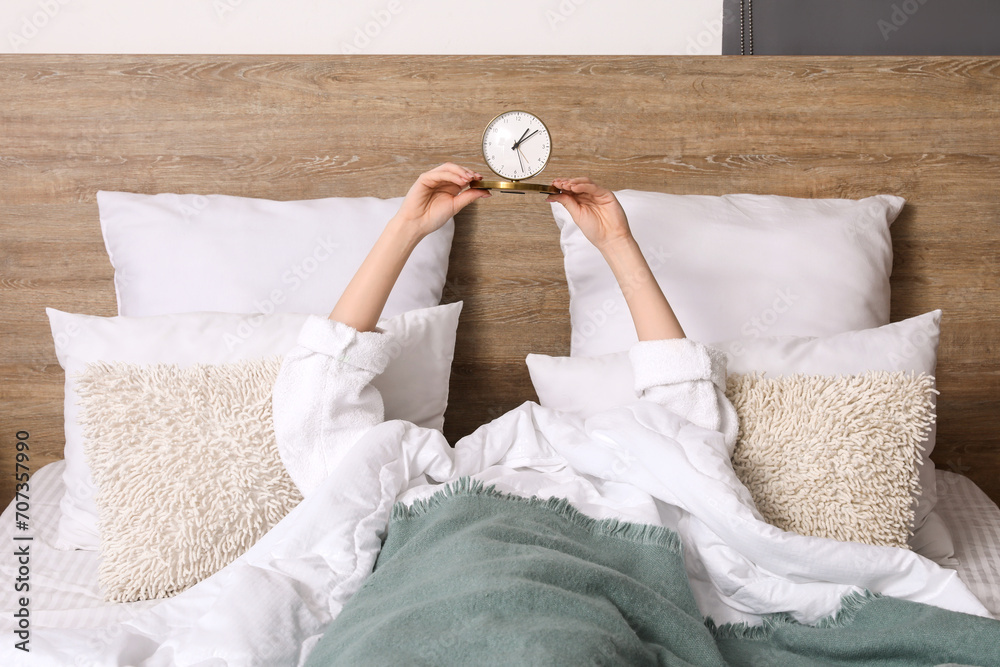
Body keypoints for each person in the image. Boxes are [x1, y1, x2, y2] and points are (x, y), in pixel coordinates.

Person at [272, 164, 997, 666]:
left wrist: (619, 243)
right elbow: (322, 395)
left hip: (589, 594)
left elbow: (684, 398)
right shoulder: (413, 474)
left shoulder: (638, 458)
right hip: (440, 578)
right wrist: (407, 227)